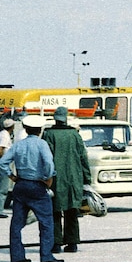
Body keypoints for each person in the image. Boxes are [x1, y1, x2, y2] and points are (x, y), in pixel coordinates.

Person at [0, 115, 62, 262]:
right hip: (37, 185)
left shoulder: (18, 145)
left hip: (21, 185)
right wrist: (48, 178)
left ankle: (17, 256)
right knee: (46, 222)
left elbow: (3, 163)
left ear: (25, 129)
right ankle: (46, 256)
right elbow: (49, 164)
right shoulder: (42, 144)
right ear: (40, 130)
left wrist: (12, 177)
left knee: (17, 224)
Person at [41, 106, 91, 253]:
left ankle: (55, 244)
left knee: (55, 211)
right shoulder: (75, 134)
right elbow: (83, 157)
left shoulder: (48, 134)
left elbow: (45, 157)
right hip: (74, 178)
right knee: (72, 211)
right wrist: (87, 178)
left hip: (55, 179)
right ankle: (72, 242)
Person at [0, 117, 15, 219]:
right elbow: (0, 149)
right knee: (2, 188)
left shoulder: (0, 134)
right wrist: (4, 161)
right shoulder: (5, 136)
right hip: (3, 163)